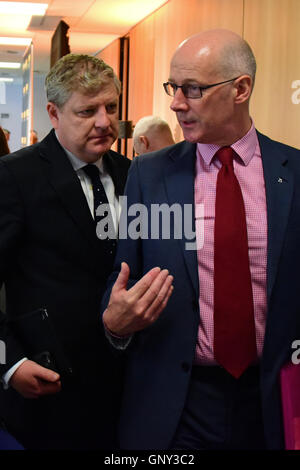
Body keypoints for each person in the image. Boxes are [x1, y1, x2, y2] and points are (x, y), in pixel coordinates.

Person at [101, 29, 300, 450]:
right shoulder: (151, 175)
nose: (176, 103)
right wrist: (115, 323)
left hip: (275, 401)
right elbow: (123, 280)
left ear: (240, 89)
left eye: (192, 89)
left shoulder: (294, 174)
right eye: (173, 87)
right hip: (179, 404)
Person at [0, 53, 131, 450]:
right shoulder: (13, 177)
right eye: (87, 110)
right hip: (47, 391)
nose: (105, 122)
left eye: (111, 107)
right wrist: (10, 364)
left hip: (124, 389)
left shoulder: (134, 174)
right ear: (53, 113)